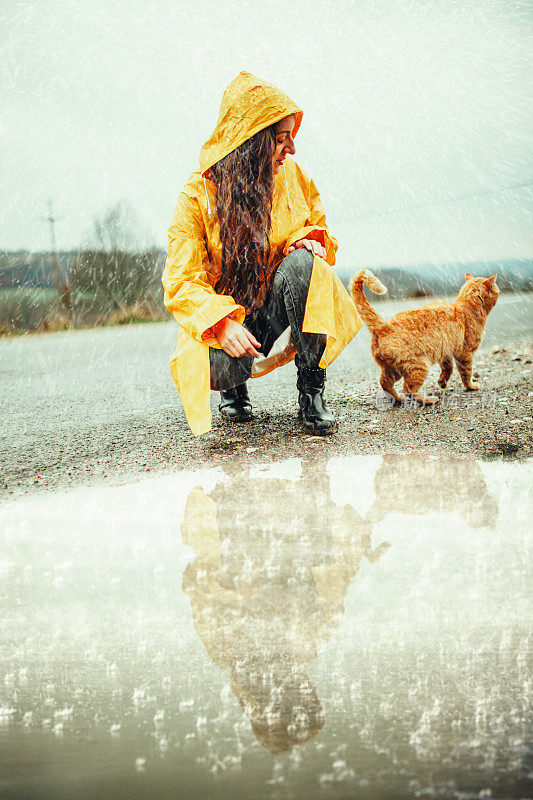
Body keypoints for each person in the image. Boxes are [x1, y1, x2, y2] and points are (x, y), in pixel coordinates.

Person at [162, 71, 362, 437]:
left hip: (271, 307)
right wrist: (221, 324)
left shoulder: (290, 174)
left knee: (307, 265)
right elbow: (181, 281)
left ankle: (311, 391)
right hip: (229, 328)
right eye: (282, 137)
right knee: (214, 369)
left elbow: (313, 221)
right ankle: (234, 390)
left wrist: (307, 240)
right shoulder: (195, 195)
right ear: (253, 142)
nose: (292, 148)